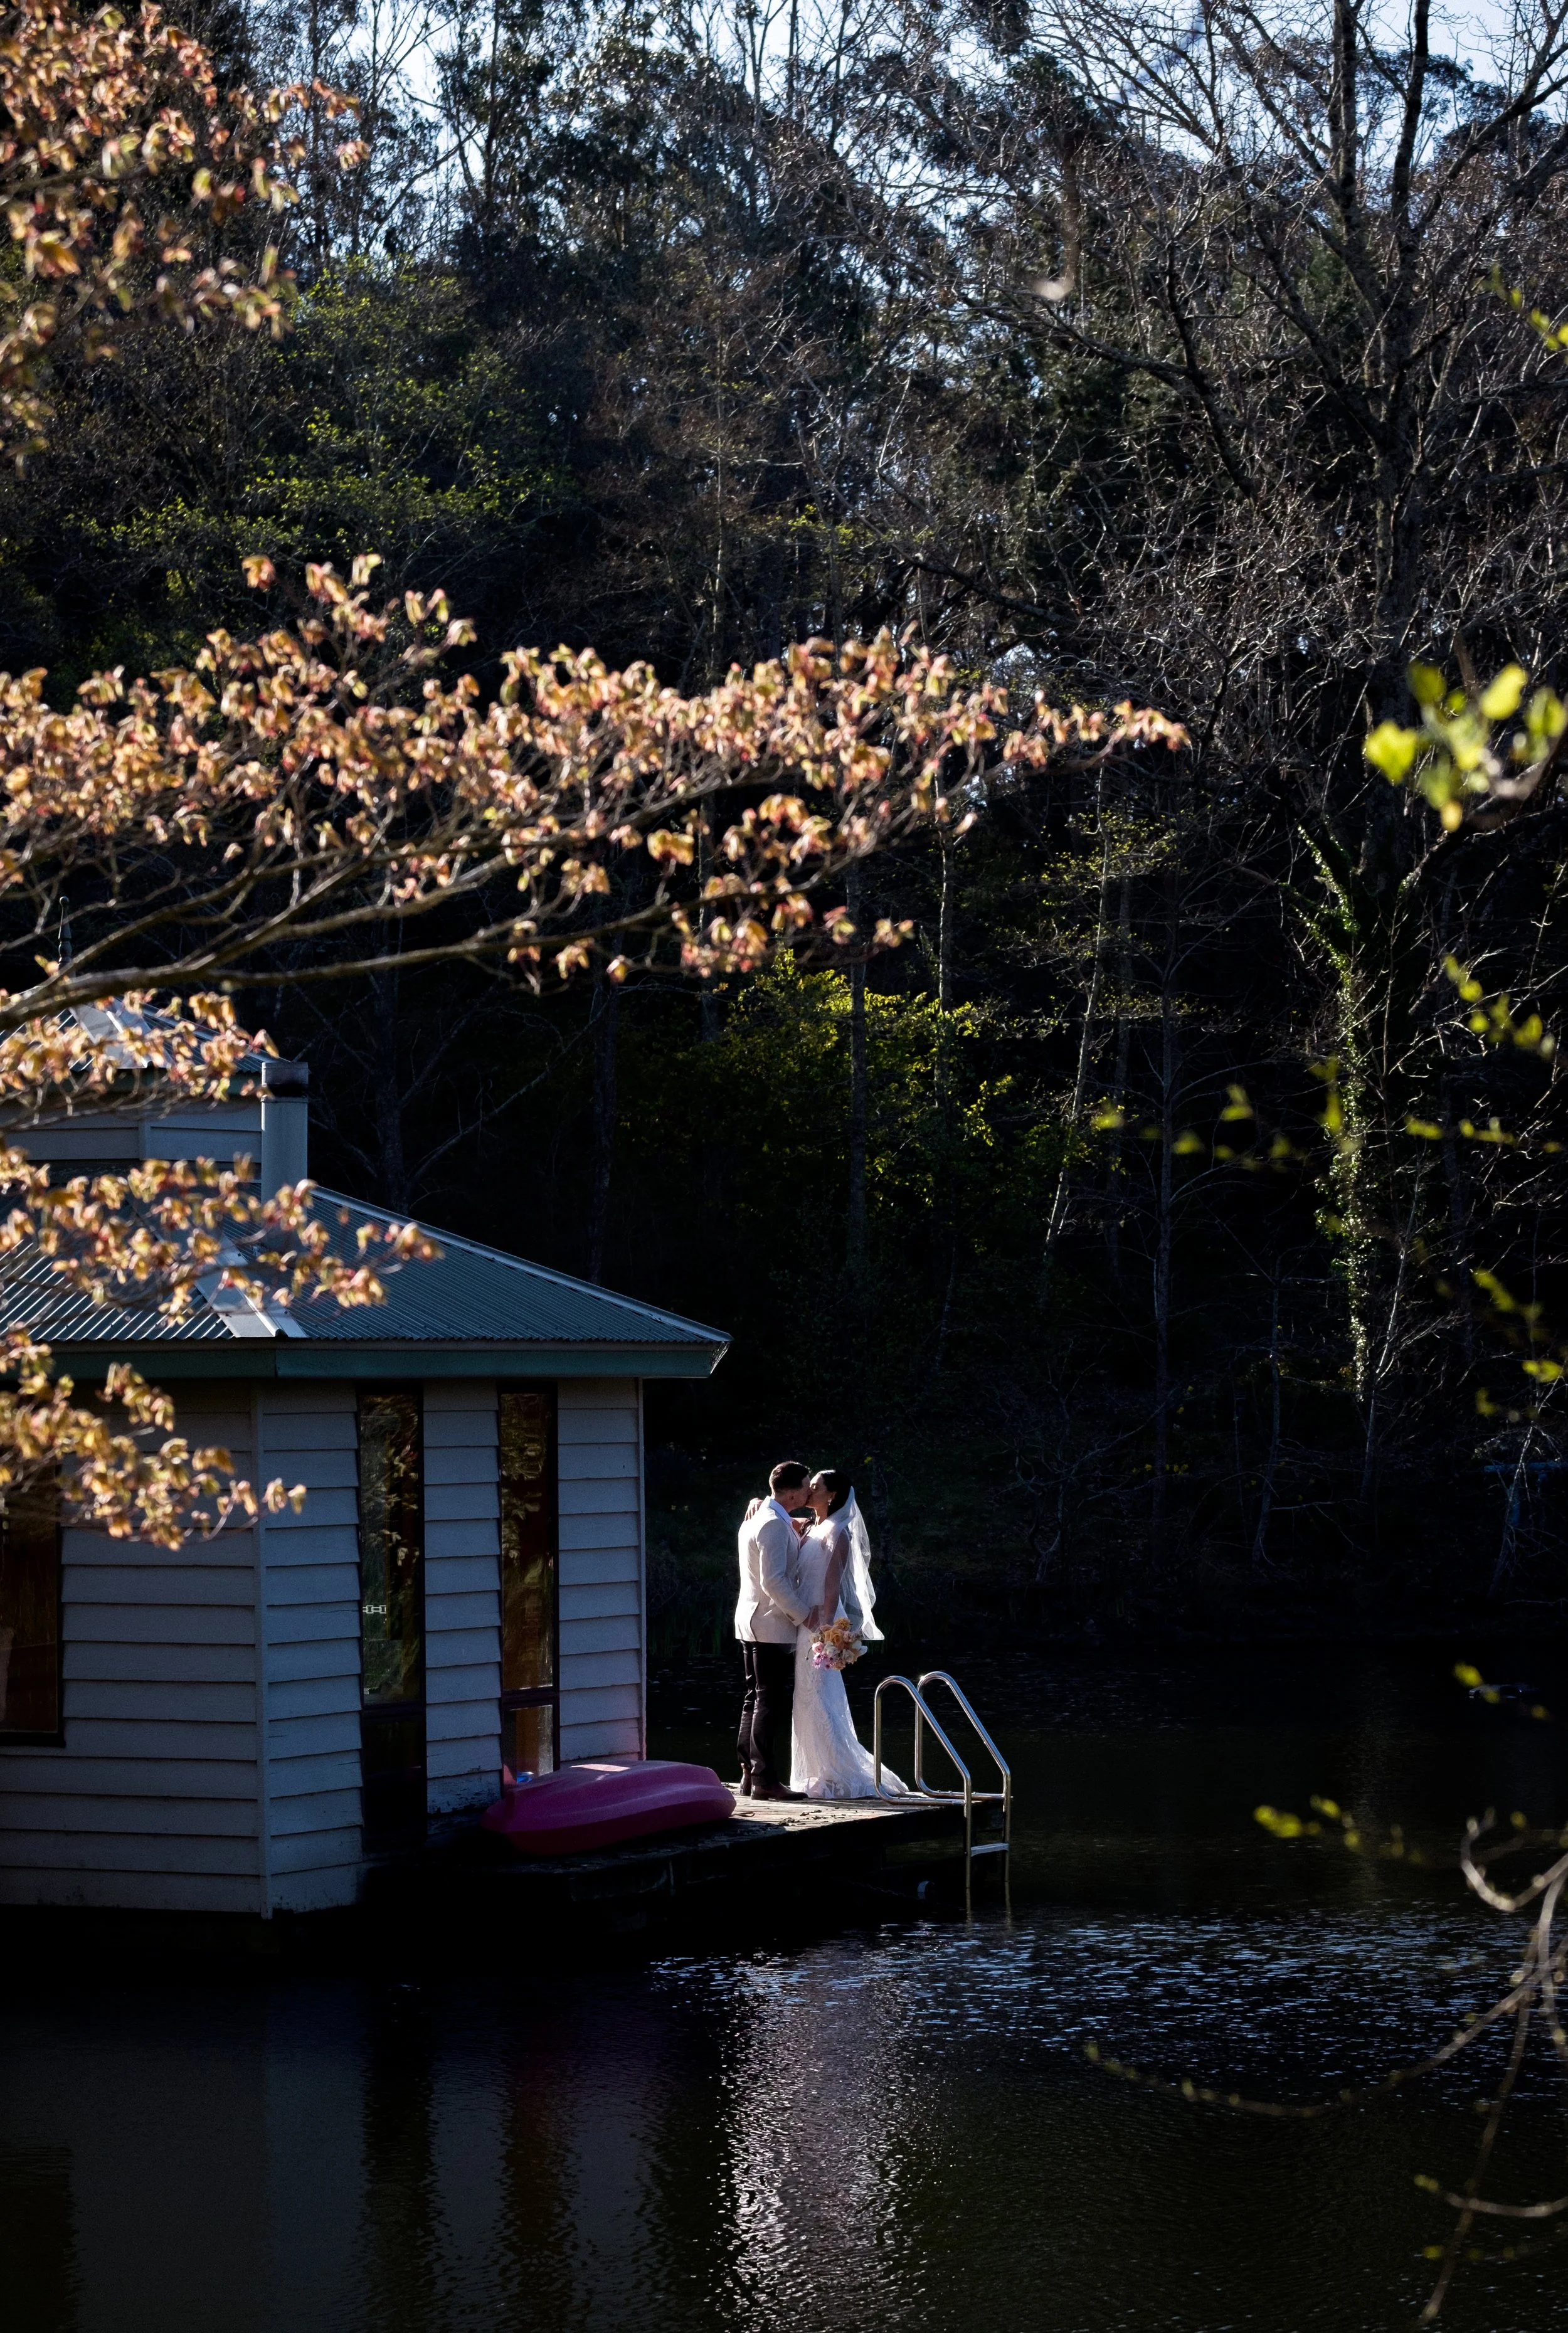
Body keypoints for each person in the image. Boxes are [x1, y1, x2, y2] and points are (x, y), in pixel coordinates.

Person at [790, 1469, 908, 1801]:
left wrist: (826, 1633)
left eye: (815, 1487)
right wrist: (757, 1502)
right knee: (806, 1698)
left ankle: (838, 1771)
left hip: (821, 1623)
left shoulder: (838, 1533)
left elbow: (831, 1588)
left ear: (831, 1495)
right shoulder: (810, 1526)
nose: (808, 1491)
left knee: (821, 1697)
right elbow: (781, 1515)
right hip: (806, 1621)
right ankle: (816, 1770)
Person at [734, 1460, 813, 1801]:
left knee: (754, 1699)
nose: (810, 1489)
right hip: (769, 1622)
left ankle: (750, 1775)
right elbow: (773, 1581)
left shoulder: (760, 1516)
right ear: (794, 1492)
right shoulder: (773, 1524)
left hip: (751, 1620)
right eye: (807, 1485)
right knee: (768, 1702)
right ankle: (765, 1779)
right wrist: (804, 1616)